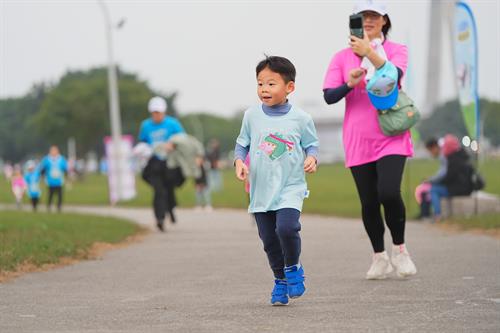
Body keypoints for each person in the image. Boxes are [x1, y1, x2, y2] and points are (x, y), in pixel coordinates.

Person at [322, 0, 417, 279]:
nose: (369, 21)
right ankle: (379, 256)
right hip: (358, 138)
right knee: (368, 201)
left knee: (389, 191)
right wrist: (349, 84)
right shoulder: (341, 57)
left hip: (391, 134)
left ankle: (400, 251)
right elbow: (328, 96)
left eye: (374, 15)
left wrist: (370, 53)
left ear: (385, 20)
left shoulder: (397, 50)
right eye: (362, 16)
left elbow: (394, 78)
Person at [234, 56, 319, 305]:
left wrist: (312, 158)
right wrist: (239, 162)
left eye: (271, 84)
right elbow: (242, 145)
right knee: (270, 241)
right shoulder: (251, 116)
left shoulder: (301, 118)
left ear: (289, 87)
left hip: (290, 186)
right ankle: (280, 280)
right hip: (260, 189)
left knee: (287, 228)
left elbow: (311, 145)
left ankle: (293, 268)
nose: (264, 90)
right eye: (260, 84)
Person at [138, 96, 185, 231]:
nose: (156, 115)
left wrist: (172, 144)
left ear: (164, 112)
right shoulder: (146, 125)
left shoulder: (173, 124)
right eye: (154, 112)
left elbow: (183, 139)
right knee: (159, 191)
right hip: (154, 163)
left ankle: (170, 210)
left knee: (169, 189)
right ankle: (159, 218)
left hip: (170, 163)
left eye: (158, 112)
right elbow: (143, 142)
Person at [425, 135, 474, 222]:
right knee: (435, 187)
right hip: (466, 187)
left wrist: (432, 180)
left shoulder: (451, 159)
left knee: (434, 190)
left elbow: (446, 175)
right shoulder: (462, 155)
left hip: (458, 188)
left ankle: (437, 215)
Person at [39, 145, 68, 212]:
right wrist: (42, 176)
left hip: (59, 180)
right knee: (50, 195)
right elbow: (43, 169)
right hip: (50, 181)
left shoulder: (61, 159)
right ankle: (49, 206)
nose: (54, 152)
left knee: (60, 195)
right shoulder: (47, 159)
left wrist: (67, 176)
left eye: (55, 150)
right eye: (52, 150)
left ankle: (59, 207)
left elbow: (65, 168)